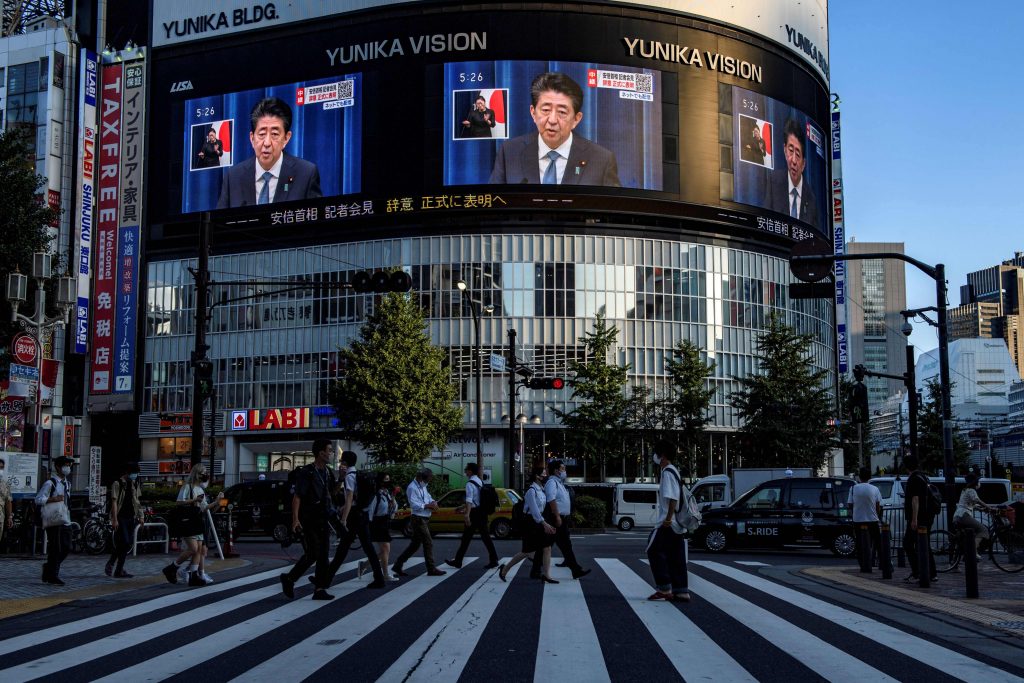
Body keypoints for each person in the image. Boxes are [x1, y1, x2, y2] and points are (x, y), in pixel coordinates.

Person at [489, 72, 620, 187]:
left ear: (576, 119)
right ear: (533, 113)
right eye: (545, 110)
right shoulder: (510, 152)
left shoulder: (602, 160)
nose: (552, 120)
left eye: (562, 112)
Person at [216, 97, 321, 208]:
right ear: (252, 138)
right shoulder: (233, 177)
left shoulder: (306, 174)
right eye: (261, 134)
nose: (267, 143)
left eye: (275, 134)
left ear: (286, 138)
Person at [281, 438, 338, 600]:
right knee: (314, 553)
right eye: (329, 450)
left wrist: (341, 479)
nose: (331, 453)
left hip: (324, 517)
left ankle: (319, 589)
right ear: (321, 453)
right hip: (309, 518)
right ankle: (290, 578)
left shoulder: (327, 472)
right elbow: (297, 497)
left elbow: (331, 494)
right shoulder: (307, 472)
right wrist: (295, 519)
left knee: (324, 553)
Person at [324, 451, 386, 588]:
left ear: (344, 462)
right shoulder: (357, 474)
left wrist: (344, 519)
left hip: (354, 516)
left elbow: (350, 498)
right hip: (362, 515)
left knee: (343, 549)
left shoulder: (349, 477)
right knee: (366, 548)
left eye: (341, 460)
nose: (340, 463)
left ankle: (325, 580)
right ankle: (379, 578)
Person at [162, 464, 221, 587]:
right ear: (197, 474)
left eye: (206, 473)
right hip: (187, 521)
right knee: (193, 549)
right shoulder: (187, 487)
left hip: (197, 520)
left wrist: (217, 502)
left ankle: (194, 575)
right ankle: (172, 568)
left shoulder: (200, 489)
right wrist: (194, 500)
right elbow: (179, 502)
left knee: (198, 550)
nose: (205, 475)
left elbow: (204, 508)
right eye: (203, 473)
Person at [646, 441, 690, 602]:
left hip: (668, 522)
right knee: (675, 555)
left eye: (656, 453)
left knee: (653, 549)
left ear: (662, 455)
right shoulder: (675, 471)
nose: (654, 457)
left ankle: (664, 588)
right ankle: (681, 591)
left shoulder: (667, 472)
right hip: (677, 524)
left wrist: (668, 519)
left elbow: (672, 498)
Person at [531, 460, 590, 580]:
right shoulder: (552, 482)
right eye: (562, 469)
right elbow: (551, 499)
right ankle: (575, 570)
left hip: (560, 518)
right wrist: (557, 516)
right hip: (555, 518)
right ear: (556, 471)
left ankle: (536, 570)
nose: (564, 471)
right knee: (553, 545)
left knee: (553, 545)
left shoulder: (559, 483)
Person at [499, 466, 558, 583]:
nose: (545, 476)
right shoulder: (531, 491)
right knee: (526, 551)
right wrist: (545, 524)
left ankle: (547, 575)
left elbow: (541, 510)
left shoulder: (541, 490)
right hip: (530, 523)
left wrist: (546, 523)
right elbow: (535, 512)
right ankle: (505, 569)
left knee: (547, 547)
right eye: (544, 474)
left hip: (539, 521)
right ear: (537, 476)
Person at [392, 468, 446, 577]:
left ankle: (398, 564)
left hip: (424, 517)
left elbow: (428, 497)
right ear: (420, 478)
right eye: (426, 480)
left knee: (415, 544)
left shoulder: (422, 486)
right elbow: (414, 505)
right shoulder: (412, 488)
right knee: (428, 542)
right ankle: (431, 568)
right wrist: (427, 506)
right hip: (418, 518)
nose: (427, 483)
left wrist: (433, 502)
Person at [765, 118, 818, 227]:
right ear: (784, 150)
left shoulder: (811, 199)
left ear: (803, 164)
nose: (793, 160)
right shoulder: (773, 181)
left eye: (798, 154)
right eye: (790, 150)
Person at [446, 463, 499, 570]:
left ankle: (458, 561)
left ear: (470, 471)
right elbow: (477, 499)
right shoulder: (479, 481)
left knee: (467, 538)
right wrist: (462, 507)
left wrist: (467, 515)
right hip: (482, 512)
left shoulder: (470, 484)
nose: (465, 471)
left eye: (466, 470)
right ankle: (493, 560)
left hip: (475, 514)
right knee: (484, 537)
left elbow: (470, 500)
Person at [36, 456, 74, 585]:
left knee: (66, 547)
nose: (67, 468)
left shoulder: (68, 483)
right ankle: (53, 575)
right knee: (55, 548)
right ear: (58, 467)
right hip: (53, 519)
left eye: (69, 465)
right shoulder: (50, 483)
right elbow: (38, 499)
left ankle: (48, 568)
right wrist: (53, 499)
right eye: (65, 465)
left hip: (66, 518)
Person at [901, 455, 937, 583]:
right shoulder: (923, 477)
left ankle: (918, 572)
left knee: (908, 543)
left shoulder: (913, 479)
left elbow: (915, 499)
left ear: (906, 466)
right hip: (928, 516)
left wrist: (914, 519)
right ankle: (931, 573)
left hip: (918, 517)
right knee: (924, 544)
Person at [106, 462, 145, 578]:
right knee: (125, 542)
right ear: (127, 472)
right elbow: (114, 501)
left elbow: (137, 501)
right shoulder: (117, 483)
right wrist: (114, 519)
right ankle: (115, 566)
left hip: (131, 516)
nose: (135, 475)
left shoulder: (134, 483)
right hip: (120, 517)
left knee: (125, 544)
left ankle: (117, 567)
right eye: (134, 473)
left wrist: (141, 515)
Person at [361, 471, 399, 581]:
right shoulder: (375, 494)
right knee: (386, 549)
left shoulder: (386, 493)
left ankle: (365, 565)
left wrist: (393, 500)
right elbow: (370, 511)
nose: (388, 482)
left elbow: (392, 508)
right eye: (385, 479)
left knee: (384, 551)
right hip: (376, 523)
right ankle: (385, 574)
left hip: (384, 522)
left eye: (388, 479)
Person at [847, 466, 883, 570]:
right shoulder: (875, 489)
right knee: (877, 542)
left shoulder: (853, 488)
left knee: (859, 543)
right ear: (870, 477)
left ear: (859, 477)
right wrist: (877, 515)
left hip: (858, 519)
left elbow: (850, 504)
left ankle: (863, 564)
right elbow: (878, 506)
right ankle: (881, 562)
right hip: (872, 519)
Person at [955, 473, 997, 560]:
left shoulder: (965, 490)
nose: (979, 484)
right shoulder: (971, 490)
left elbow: (971, 504)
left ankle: (955, 562)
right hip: (964, 515)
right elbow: (977, 500)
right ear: (975, 483)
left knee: (963, 538)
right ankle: (973, 552)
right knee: (983, 530)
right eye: (978, 482)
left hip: (958, 515)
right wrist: (989, 507)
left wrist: (983, 509)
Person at [0, 458, 12, 544]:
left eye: (2, 467)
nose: (0, 470)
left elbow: (8, 501)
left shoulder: (5, 484)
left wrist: (9, 517)